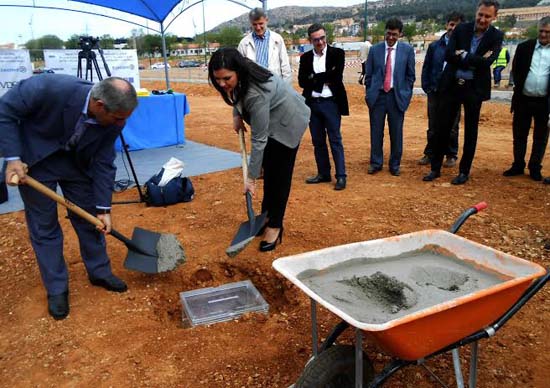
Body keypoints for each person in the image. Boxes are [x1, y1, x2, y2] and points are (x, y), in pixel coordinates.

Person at [0, 74, 138, 320]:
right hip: (35, 162)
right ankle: (57, 289)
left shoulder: (116, 120)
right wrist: (12, 158)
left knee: (90, 221)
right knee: (44, 226)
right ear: (99, 105)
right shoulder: (47, 88)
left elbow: (104, 162)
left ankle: (99, 272)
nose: (120, 124)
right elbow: (4, 112)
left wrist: (104, 209)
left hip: (77, 164)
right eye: (117, 118)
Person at [208, 48, 310, 252]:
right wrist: (236, 114)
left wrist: (251, 178)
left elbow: (259, 140)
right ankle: (266, 216)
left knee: (278, 177)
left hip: (288, 123)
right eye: (217, 79)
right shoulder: (240, 75)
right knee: (271, 169)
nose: (221, 83)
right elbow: (235, 94)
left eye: (226, 78)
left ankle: (275, 225)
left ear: (237, 71)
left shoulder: (256, 93)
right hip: (270, 119)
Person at [423, 0, 503, 185]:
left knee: (471, 131)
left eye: (487, 16)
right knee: (442, 128)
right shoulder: (461, 29)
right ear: (476, 12)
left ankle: (464, 172)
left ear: (494, 17)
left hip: (474, 89)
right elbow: (450, 55)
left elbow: (487, 62)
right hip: (451, 86)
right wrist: (475, 59)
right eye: (480, 14)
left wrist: (464, 55)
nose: (482, 19)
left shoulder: (496, 36)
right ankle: (435, 168)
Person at [299, 23, 349, 190]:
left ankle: (341, 176)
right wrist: (323, 78)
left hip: (331, 103)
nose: (320, 42)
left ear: (326, 37)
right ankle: (323, 173)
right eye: (315, 39)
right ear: (310, 40)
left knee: (335, 139)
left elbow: (336, 77)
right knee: (318, 141)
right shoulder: (305, 58)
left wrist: (313, 78)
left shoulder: (337, 53)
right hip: (312, 104)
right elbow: (301, 81)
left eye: (322, 38)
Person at [364, 17, 415, 176]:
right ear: (384, 32)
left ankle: (395, 164)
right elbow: (369, 74)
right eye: (388, 33)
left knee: (396, 132)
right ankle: (376, 163)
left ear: (400, 34)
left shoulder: (407, 50)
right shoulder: (374, 50)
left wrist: (405, 94)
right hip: (378, 97)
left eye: (394, 34)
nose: (391, 37)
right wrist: (370, 92)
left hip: (396, 97)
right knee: (376, 131)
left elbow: (410, 76)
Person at [503, 16, 550, 182]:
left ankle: (535, 167)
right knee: (519, 134)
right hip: (523, 99)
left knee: (541, 136)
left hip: (545, 102)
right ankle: (518, 164)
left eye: (547, 32)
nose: (543, 35)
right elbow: (515, 69)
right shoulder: (524, 47)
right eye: (541, 31)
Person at [419, 12, 465, 168]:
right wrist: (427, 86)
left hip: (454, 93)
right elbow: (427, 67)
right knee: (433, 125)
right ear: (447, 25)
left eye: (457, 26)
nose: (453, 28)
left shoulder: (463, 47)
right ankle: (430, 153)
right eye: (451, 24)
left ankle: (451, 154)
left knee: (452, 126)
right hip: (435, 91)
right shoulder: (434, 46)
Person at [237, 8, 291, 82]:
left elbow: (285, 66)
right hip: (254, 86)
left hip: (275, 84)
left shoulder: (277, 39)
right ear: (250, 23)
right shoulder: (244, 43)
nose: (258, 28)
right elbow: (239, 68)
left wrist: (285, 88)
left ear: (266, 21)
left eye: (261, 23)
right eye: (254, 24)